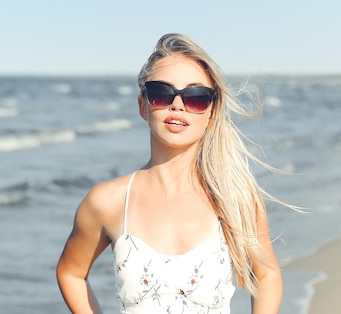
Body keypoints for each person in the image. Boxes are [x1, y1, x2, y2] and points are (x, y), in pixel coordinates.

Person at [57, 33, 286, 314]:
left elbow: (266, 275)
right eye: (162, 93)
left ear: (211, 112)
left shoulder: (234, 199)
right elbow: (71, 273)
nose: (177, 105)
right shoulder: (108, 201)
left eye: (196, 97)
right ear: (143, 106)